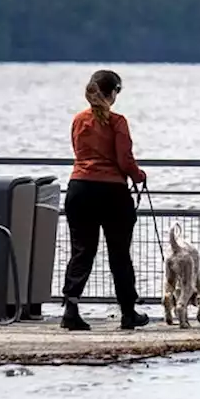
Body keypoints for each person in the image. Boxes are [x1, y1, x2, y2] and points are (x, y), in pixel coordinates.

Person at [61, 69, 151, 331]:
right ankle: (127, 313)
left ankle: (71, 309)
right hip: (112, 193)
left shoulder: (79, 120)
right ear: (112, 93)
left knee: (82, 251)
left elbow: (79, 153)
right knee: (120, 255)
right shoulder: (117, 122)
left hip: (79, 189)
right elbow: (124, 160)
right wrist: (139, 175)